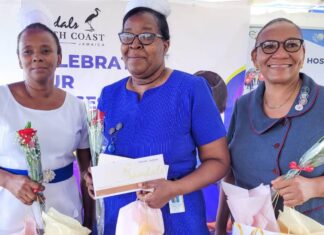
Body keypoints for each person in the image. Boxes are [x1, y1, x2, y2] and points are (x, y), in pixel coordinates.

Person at [83, 1, 230, 234]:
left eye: (147, 36)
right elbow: (105, 153)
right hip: (119, 220)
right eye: (127, 36)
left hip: (175, 217)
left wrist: (174, 188)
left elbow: (219, 162)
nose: (135, 45)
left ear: (165, 44)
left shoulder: (191, 89)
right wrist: (95, 177)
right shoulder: (109, 95)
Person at [216, 18, 324, 234]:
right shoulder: (243, 106)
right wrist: (220, 226)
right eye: (269, 46)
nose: (281, 54)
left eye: (291, 45)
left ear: (303, 54)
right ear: (255, 58)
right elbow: (230, 174)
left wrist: (314, 187)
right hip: (250, 228)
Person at [0, 23, 93, 234]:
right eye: (28, 51)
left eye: (45, 50)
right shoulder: (1, 99)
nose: (37, 57)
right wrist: (7, 180)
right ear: (19, 59)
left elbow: (89, 175)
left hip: (65, 219)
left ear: (59, 58)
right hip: (9, 218)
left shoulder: (76, 107)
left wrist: (88, 222)